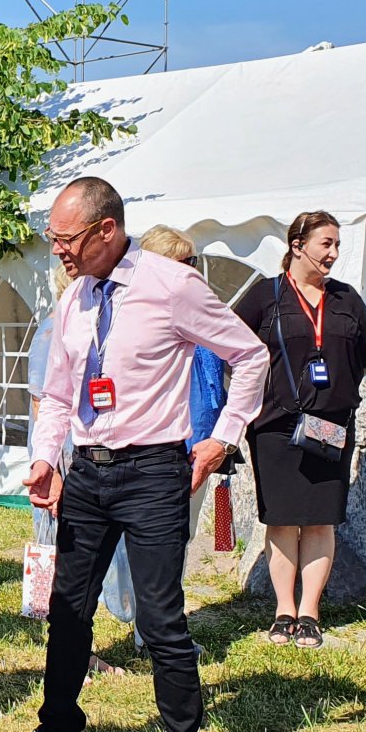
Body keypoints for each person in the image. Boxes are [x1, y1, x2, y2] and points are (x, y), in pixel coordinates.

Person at [3, 176, 270, 732]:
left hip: (153, 472)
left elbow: (250, 356)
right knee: (68, 610)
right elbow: (60, 394)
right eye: (52, 238)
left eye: (66, 239)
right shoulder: (76, 297)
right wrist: (45, 460)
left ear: (107, 230)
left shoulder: (171, 284)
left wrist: (222, 437)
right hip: (87, 474)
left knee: (158, 618)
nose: (57, 250)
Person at [234, 211, 366, 648]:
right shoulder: (265, 295)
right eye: (326, 243)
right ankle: (283, 611)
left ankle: (310, 613)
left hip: (330, 426)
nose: (333, 253)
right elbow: (231, 349)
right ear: (297, 245)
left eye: (337, 245)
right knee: (281, 519)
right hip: (275, 427)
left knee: (320, 520)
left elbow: (365, 358)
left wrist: (335, 395)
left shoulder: (346, 299)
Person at [25, 263, 128, 679]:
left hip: (79, 458)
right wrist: (53, 470)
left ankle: (77, 651)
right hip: (62, 461)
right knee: (64, 558)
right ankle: (74, 656)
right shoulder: (53, 331)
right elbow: (42, 404)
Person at [139, 225, 229, 543]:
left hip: (199, 442)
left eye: (193, 263)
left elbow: (241, 363)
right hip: (152, 448)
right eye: (183, 264)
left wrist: (221, 438)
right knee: (148, 536)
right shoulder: (137, 316)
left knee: (182, 533)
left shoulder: (204, 312)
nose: (191, 272)